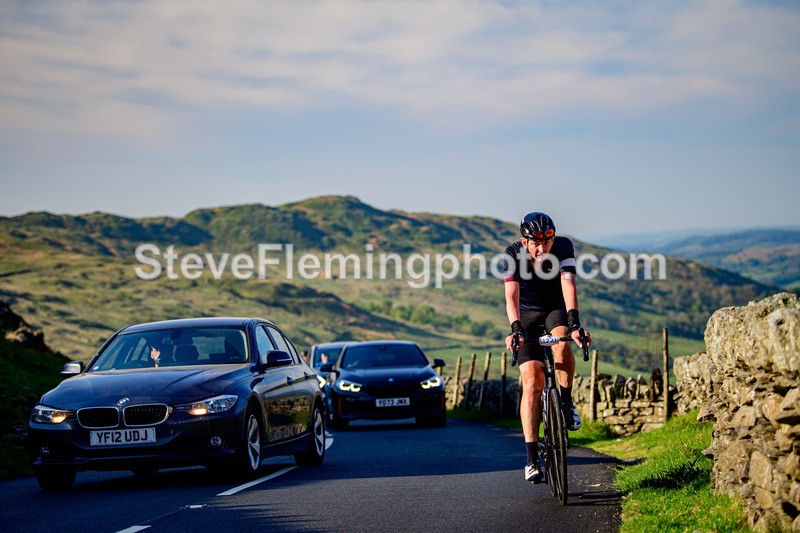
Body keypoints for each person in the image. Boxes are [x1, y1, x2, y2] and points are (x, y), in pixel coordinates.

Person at [502, 211, 591, 483]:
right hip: (526, 314)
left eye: (547, 242)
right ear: (524, 242)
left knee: (562, 341)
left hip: (555, 309)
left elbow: (568, 282)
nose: (543, 250)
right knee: (532, 380)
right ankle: (531, 459)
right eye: (536, 244)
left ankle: (566, 401)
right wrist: (515, 328)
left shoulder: (563, 246)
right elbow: (511, 294)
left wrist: (575, 323)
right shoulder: (512, 254)